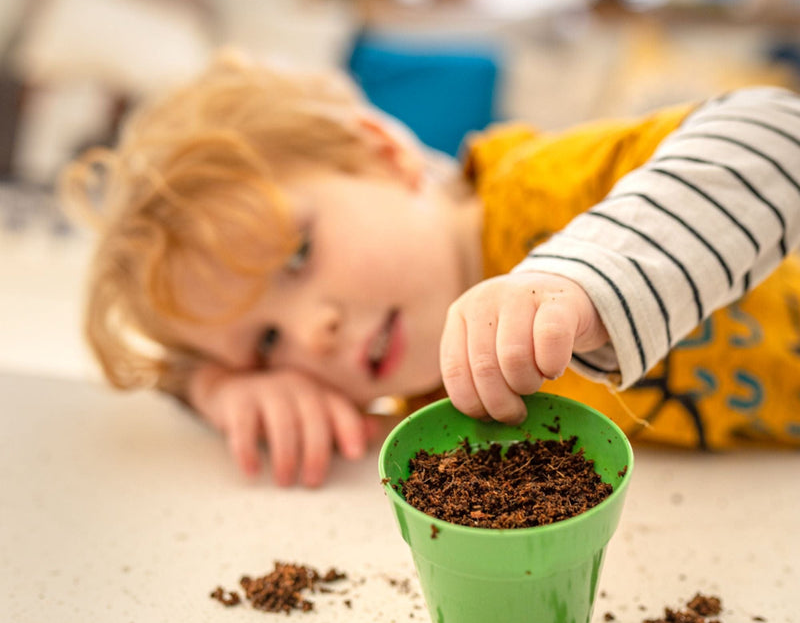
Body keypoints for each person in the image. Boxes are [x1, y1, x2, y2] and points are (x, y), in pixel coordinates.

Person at [60, 51, 800, 486]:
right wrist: (219, 385)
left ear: (385, 156)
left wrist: (583, 276)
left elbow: (776, 132)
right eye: (265, 342)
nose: (311, 333)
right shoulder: (415, 394)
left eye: (298, 255)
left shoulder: (538, 187)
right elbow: (168, 373)